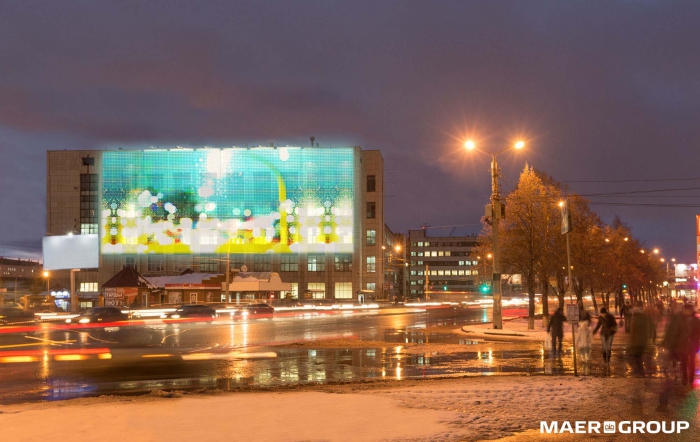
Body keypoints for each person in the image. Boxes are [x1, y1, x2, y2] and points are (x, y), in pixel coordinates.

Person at [677, 304, 700, 386]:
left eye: (688, 310)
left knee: (692, 361)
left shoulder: (695, 320)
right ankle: (685, 377)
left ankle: (691, 378)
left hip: (692, 343)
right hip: (683, 343)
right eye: (686, 310)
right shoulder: (680, 320)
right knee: (684, 361)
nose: (687, 311)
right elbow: (677, 332)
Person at [629, 302, 651, 376]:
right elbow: (647, 330)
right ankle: (640, 371)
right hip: (643, 341)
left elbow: (633, 332)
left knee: (637, 357)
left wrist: (631, 341)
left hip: (636, 342)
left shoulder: (635, 320)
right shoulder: (644, 319)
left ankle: (640, 371)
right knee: (640, 356)